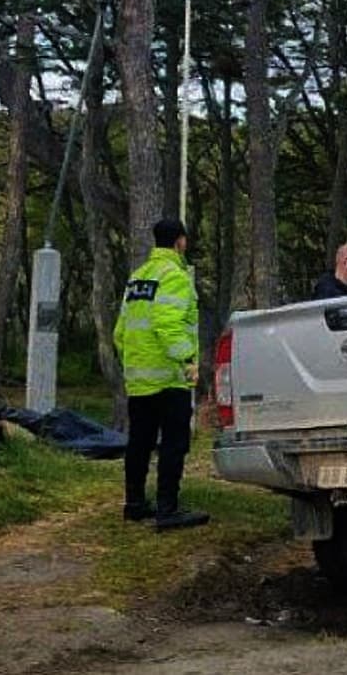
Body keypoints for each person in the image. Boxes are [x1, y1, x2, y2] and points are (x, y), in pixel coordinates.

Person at [113, 218, 209, 531]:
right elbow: (167, 324)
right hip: (168, 377)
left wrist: (133, 361)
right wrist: (188, 360)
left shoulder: (138, 277)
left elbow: (120, 330)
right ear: (180, 242)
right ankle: (168, 509)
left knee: (139, 441)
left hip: (139, 377)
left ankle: (135, 504)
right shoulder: (175, 276)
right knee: (173, 442)